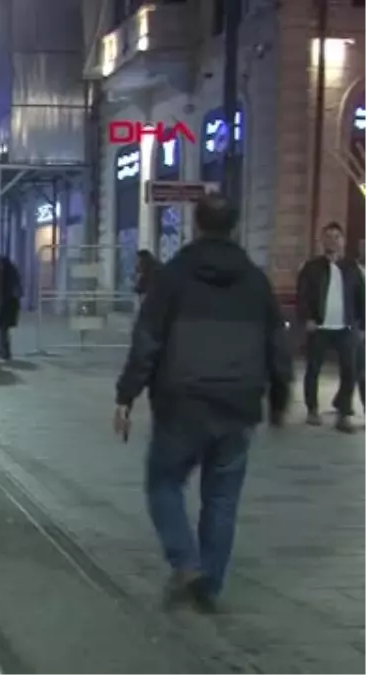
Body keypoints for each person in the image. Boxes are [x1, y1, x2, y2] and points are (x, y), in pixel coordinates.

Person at [113, 194, 291, 613]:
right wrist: (279, 398)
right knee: (222, 498)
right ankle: (209, 584)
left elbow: (148, 341)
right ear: (234, 225)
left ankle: (186, 561)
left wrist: (126, 396)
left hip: (183, 402)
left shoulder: (173, 276)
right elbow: (277, 346)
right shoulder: (255, 281)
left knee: (163, 482)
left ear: (196, 224)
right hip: (237, 404)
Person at [296, 221, 366, 432]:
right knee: (313, 369)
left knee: (350, 371)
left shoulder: (351, 268)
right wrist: (307, 318)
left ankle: (344, 413)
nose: (333, 240)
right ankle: (312, 409)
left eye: (337, 236)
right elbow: (303, 296)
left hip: (346, 328)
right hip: (319, 327)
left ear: (343, 241)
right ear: (322, 240)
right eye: (328, 236)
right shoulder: (312, 267)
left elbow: (361, 297)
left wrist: (363, 324)